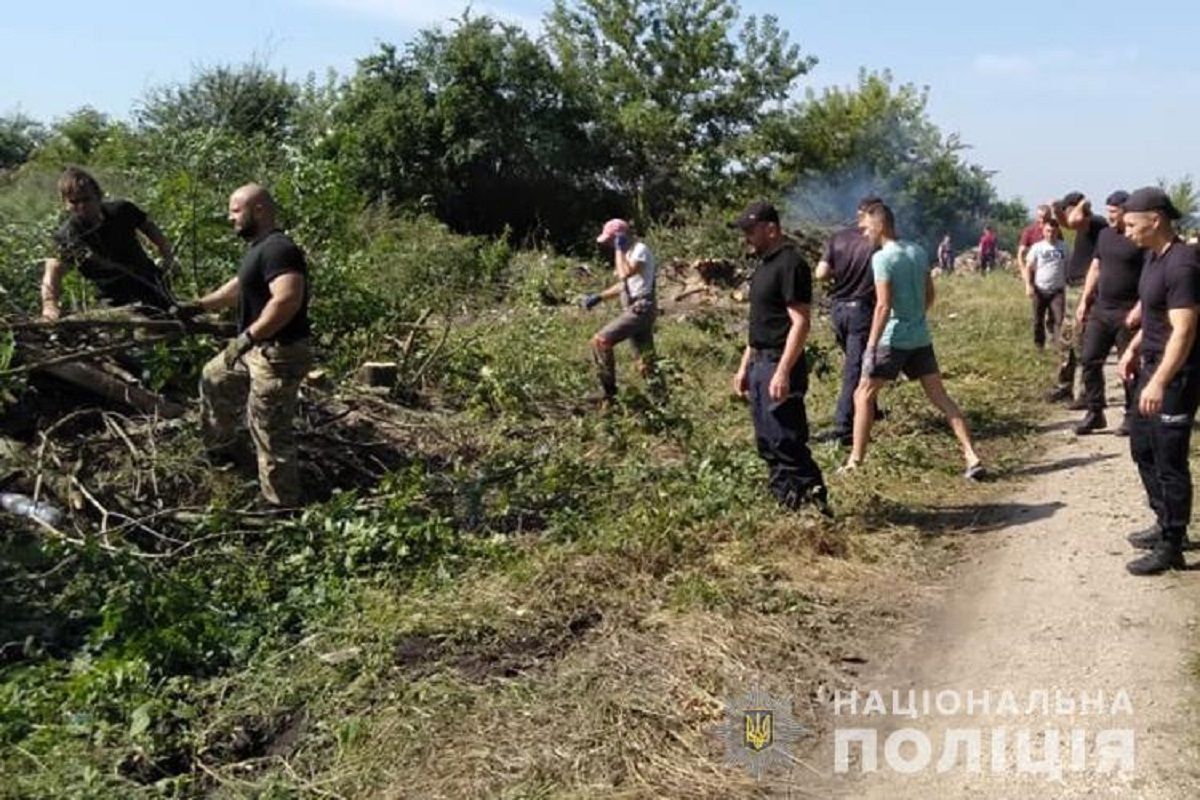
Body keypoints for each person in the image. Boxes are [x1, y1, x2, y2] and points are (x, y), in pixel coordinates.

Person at [185, 184, 312, 508]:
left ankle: (281, 508)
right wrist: (198, 306)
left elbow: (287, 298)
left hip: (277, 354)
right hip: (253, 350)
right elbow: (236, 289)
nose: (230, 218)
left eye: (235, 210)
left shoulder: (279, 248)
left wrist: (249, 337)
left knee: (269, 430)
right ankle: (227, 458)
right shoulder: (259, 248)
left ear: (259, 210)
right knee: (214, 377)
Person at [841, 203, 984, 480]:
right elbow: (930, 294)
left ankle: (855, 461)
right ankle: (971, 455)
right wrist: (915, 317)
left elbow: (882, 306)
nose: (863, 231)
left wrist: (871, 347)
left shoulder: (882, 259)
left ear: (880, 225)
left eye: (866, 226)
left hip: (892, 338)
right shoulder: (917, 251)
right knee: (941, 397)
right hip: (920, 336)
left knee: (862, 394)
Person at [1115, 187, 1199, 575]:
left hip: (1175, 376)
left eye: (1132, 224)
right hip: (1149, 365)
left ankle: (1173, 543)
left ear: (1156, 219)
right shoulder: (1153, 258)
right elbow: (1155, 316)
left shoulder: (1182, 265)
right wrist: (1133, 350)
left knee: (1169, 459)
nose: (1126, 230)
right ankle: (1163, 519)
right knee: (1143, 448)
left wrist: (1159, 382)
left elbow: (1183, 330)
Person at [729, 201, 828, 513]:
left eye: (751, 230)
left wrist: (783, 371)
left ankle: (816, 508)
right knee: (767, 444)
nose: (746, 236)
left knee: (786, 440)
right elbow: (761, 322)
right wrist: (744, 366)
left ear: (771, 229)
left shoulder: (791, 264)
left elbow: (800, 322)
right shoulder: (763, 267)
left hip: (777, 363)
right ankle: (788, 506)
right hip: (759, 362)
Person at [41, 166, 176, 320]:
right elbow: (52, 272)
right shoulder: (67, 236)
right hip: (114, 300)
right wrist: (49, 305)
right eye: (74, 202)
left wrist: (167, 257)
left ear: (98, 196)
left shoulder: (122, 211)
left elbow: (150, 228)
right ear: (65, 203)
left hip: (150, 284)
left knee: (174, 324)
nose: (81, 206)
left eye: (86, 199)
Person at [813, 196, 884, 446]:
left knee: (858, 363)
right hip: (862, 312)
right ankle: (843, 427)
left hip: (838, 311)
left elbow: (820, 274)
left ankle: (871, 410)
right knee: (855, 369)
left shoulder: (838, 238)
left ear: (858, 213)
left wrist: (840, 272)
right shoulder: (877, 243)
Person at [1073, 191, 1144, 436]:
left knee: (1130, 366)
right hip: (1101, 310)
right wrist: (1084, 300)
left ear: (1126, 212)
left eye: (1114, 212)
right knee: (1090, 359)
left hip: (1128, 313)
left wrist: (1140, 306)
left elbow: (1150, 275)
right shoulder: (1104, 236)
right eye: (1108, 212)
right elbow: (1095, 267)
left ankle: (1132, 415)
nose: (1110, 217)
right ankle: (1095, 412)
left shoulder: (1138, 238)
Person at [580, 219, 658, 405]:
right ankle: (661, 402)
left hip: (641, 309)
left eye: (610, 240)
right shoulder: (629, 253)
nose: (608, 244)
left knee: (600, 341)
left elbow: (624, 274)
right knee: (646, 362)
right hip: (637, 309)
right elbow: (624, 284)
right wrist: (599, 297)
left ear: (620, 237)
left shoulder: (639, 251)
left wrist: (618, 249)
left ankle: (609, 395)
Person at [1048, 191, 1108, 405]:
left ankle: (1086, 392)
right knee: (1066, 341)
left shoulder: (1095, 223)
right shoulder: (1082, 223)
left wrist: (1081, 204)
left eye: (1068, 209)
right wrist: (1056, 210)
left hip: (1087, 289)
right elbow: (1067, 222)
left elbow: (1073, 221)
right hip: (1073, 287)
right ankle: (1064, 386)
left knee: (1083, 341)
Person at [1023, 219, 1069, 351]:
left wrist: (1069, 282)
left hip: (1057, 290)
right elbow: (1028, 267)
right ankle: (1039, 346)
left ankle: (1057, 347)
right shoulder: (1038, 247)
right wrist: (1028, 285)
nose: (1051, 234)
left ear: (1057, 232)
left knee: (1058, 320)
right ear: (1043, 231)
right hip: (1040, 289)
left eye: (1054, 231)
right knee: (1038, 320)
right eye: (1048, 231)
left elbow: (1068, 266)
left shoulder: (1064, 247)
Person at [1016, 205, 1052, 276]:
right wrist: (1023, 270)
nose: (1043, 220)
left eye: (1046, 218)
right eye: (1041, 217)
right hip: (1033, 271)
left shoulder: (1055, 231)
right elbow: (1020, 253)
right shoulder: (1029, 231)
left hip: (1051, 271)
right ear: (1037, 216)